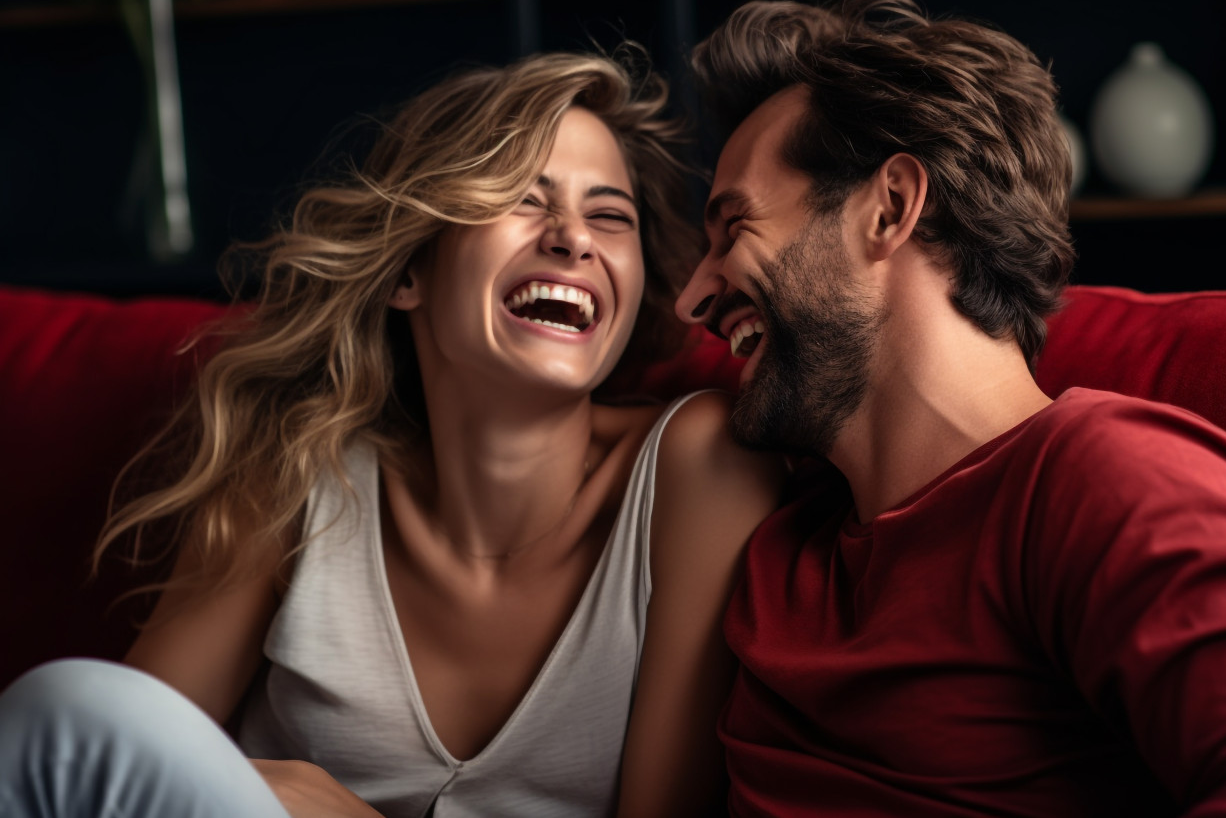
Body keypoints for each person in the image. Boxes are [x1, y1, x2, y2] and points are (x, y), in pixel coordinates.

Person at [0, 50, 784, 818]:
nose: (572, 238)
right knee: (64, 718)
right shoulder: (301, 462)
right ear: (409, 271)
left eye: (609, 216)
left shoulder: (698, 464)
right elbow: (118, 753)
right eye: (519, 197)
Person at [674, 0, 1226, 817]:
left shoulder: (1101, 480)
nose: (691, 300)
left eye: (734, 228)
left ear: (888, 208)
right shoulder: (781, 534)